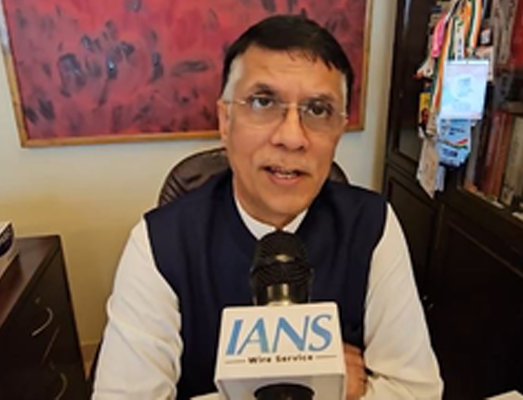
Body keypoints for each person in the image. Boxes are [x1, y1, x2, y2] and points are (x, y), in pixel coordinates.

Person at [93, 15, 443, 400]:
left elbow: (416, 392)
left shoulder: (372, 226)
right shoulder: (159, 243)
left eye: (318, 110)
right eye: (263, 102)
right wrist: (313, 384)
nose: (291, 138)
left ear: (339, 130)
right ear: (226, 120)